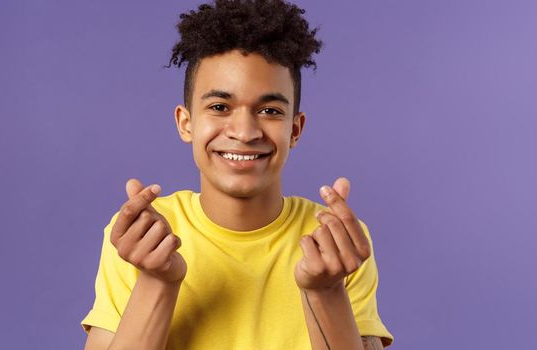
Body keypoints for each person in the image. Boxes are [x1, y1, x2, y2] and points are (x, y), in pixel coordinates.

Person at [81, 0, 393, 348]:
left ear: (295, 129)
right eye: (219, 107)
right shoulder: (142, 237)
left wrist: (325, 291)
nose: (244, 131)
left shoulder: (336, 242)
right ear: (186, 123)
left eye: (269, 110)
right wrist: (157, 281)